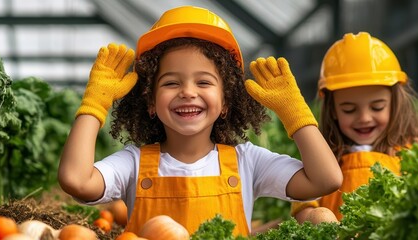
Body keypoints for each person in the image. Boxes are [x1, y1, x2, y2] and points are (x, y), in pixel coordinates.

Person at [58, 5, 342, 236]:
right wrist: (95, 104)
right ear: (150, 102)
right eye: (171, 83)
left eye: (204, 82)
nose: (188, 92)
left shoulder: (247, 162)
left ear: (226, 102)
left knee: (319, 218)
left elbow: (326, 179)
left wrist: (295, 113)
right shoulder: (134, 163)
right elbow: (76, 180)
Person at [291, 32, 418, 223]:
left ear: (395, 104)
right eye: (349, 110)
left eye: (377, 107)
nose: (364, 118)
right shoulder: (321, 158)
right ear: (332, 110)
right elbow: (303, 208)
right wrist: (316, 219)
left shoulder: (416, 150)